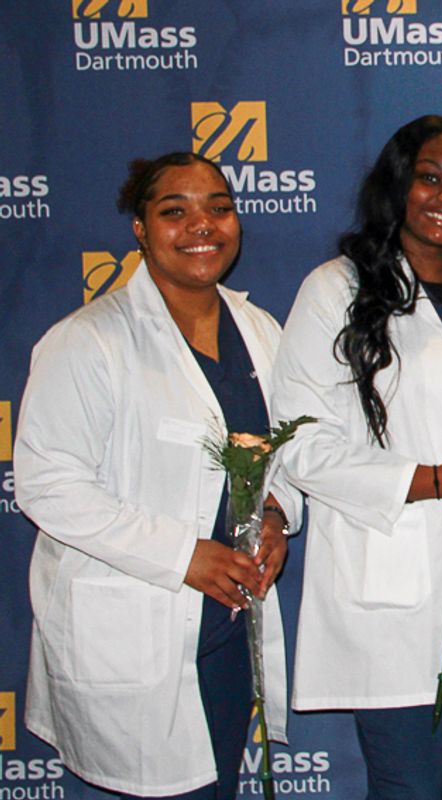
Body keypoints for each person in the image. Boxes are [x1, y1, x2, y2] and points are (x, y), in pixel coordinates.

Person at [270, 115, 442, 800]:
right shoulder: (337, 288)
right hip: (392, 590)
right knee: (412, 787)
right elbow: (301, 443)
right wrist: (439, 480)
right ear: (398, 183)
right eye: (430, 177)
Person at [14, 152, 297, 799]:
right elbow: (47, 483)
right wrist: (182, 555)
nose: (202, 224)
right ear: (140, 228)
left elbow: (289, 459)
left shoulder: (260, 331)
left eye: (218, 208)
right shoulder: (88, 340)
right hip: (137, 627)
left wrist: (277, 515)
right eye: (175, 210)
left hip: (224, 635)